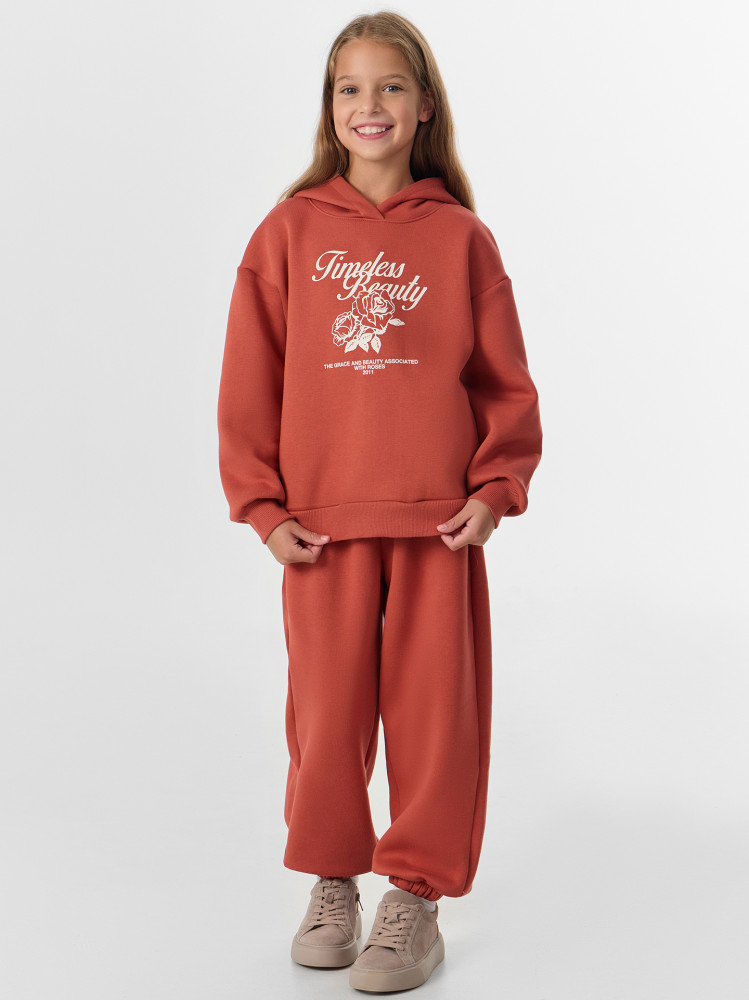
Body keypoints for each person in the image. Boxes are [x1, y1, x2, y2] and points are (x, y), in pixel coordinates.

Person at [217, 9, 543, 993]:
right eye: (350, 88)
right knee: (325, 719)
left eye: (390, 86)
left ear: (424, 105)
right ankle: (333, 883)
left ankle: (414, 899)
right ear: (329, 107)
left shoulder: (461, 239)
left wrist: (494, 487)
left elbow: (503, 381)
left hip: (437, 525)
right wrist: (262, 506)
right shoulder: (287, 232)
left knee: (435, 722)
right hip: (319, 526)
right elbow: (249, 379)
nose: (370, 105)